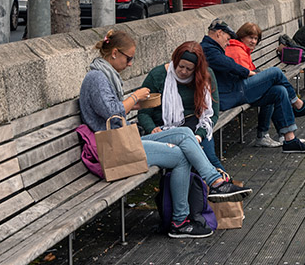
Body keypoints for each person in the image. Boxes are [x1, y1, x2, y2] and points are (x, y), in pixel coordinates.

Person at [79, 30, 252, 239]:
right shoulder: (97, 77)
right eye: (129, 58)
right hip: (111, 150)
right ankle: (188, 212)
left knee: (184, 134)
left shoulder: (104, 75)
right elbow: (112, 112)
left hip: (120, 141)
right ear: (115, 53)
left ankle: (211, 187)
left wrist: (138, 104)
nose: (131, 64)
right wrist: (135, 96)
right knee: (180, 155)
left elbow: (111, 109)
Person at [201, 18, 305, 154]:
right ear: (219, 33)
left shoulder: (213, 48)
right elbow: (229, 65)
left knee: (278, 91)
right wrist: (249, 73)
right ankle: (299, 105)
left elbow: (228, 65)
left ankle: (290, 140)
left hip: (234, 90)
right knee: (275, 73)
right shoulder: (207, 49)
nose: (228, 42)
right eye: (227, 38)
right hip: (228, 95)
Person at [137, 41, 226, 172]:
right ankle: (219, 183)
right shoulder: (158, 76)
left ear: (196, 69)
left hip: (197, 125)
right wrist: (152, 129)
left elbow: (213, 113)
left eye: (189, 69)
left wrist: (199, 135)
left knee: (209, 157)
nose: (183, 72)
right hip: (166, 128)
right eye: (180, 66)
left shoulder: (206, 76)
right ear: (175, 61)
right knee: (186, 157)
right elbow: (144, 111)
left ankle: (220, 183)